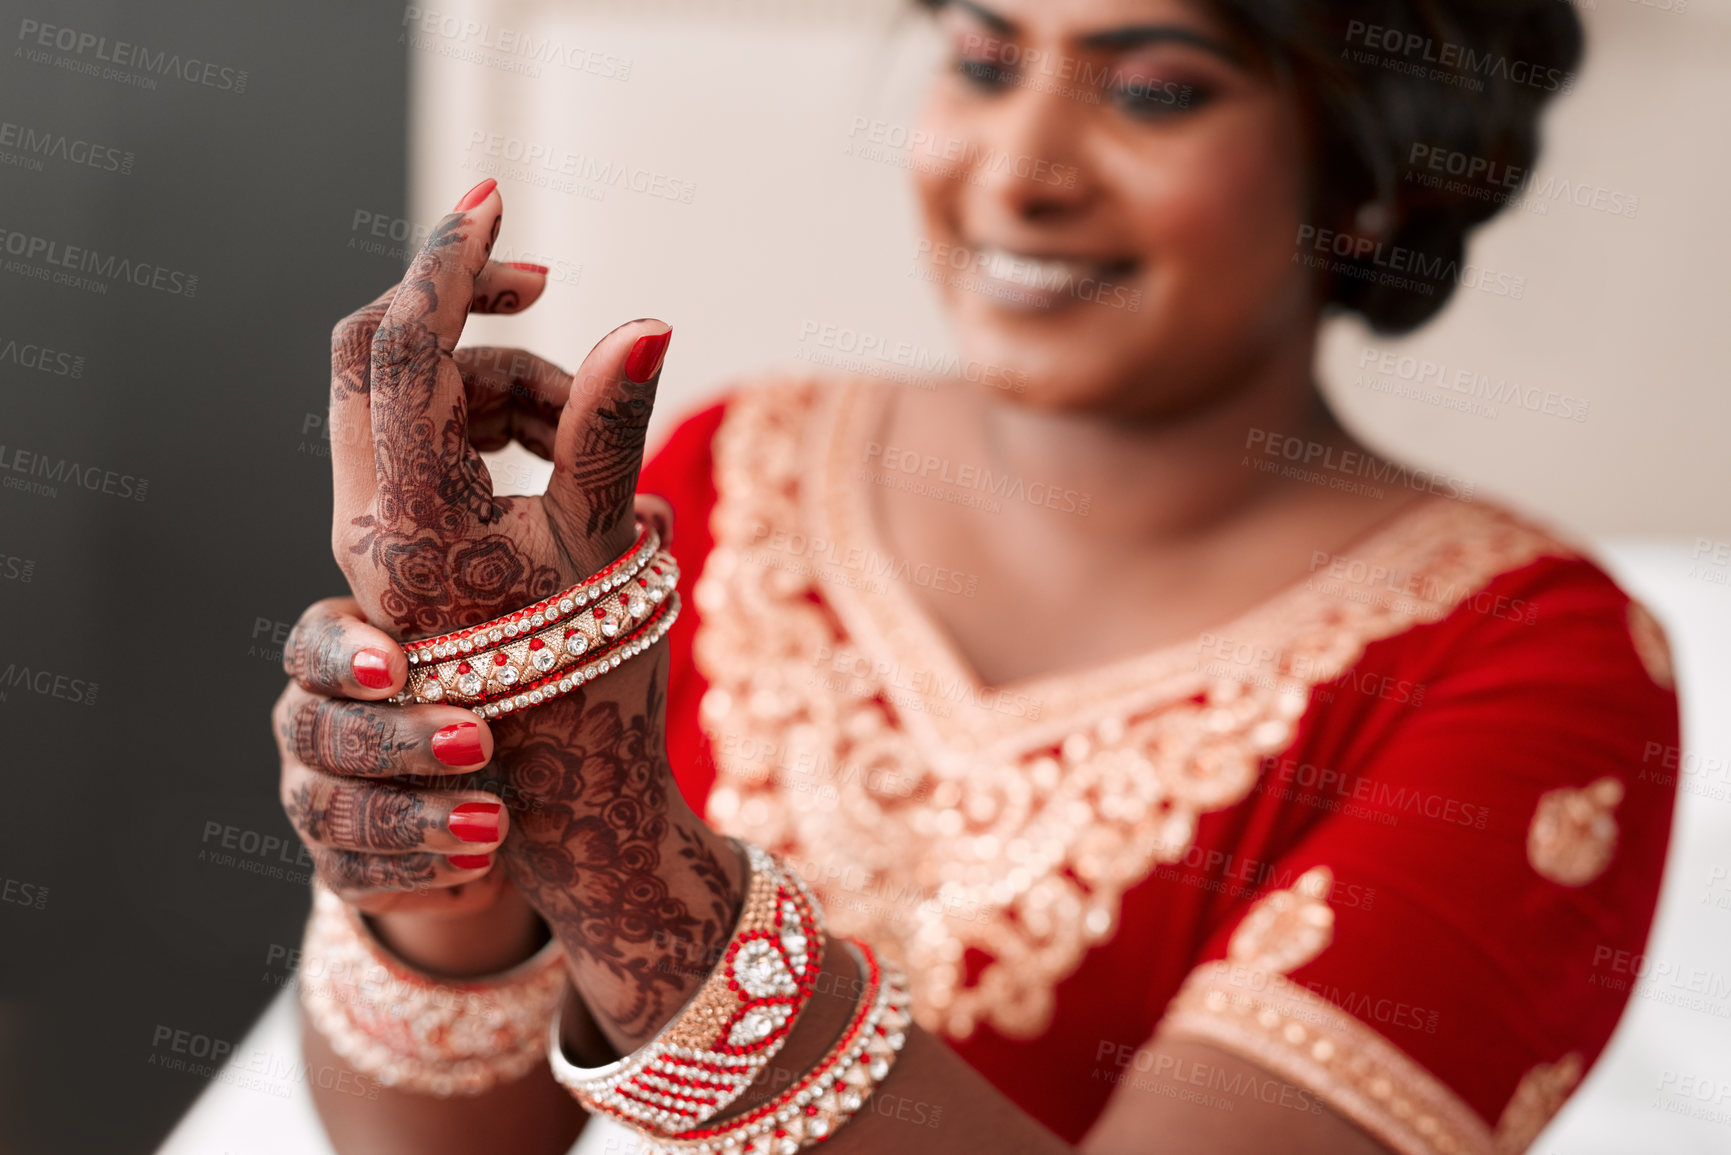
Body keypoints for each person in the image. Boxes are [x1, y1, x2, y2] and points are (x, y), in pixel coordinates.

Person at [270, 2, 1678, 1152]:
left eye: (1159, 92)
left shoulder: (1532, 662)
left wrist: (630, 867)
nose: (1020, 171)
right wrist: (437, 846)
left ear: (1368, 180)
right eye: (989, 61)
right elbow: (435, 1149)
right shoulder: (731, 467)